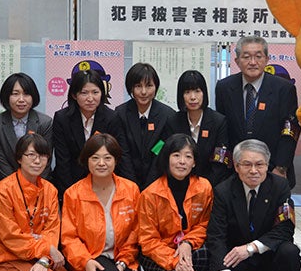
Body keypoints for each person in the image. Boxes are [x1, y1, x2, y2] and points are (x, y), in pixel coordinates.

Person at [214, 35, 300, 271]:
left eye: (258, 56)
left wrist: (281, 168)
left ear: (267, 59)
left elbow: (290, 129)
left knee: (271, 226)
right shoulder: (224, 86)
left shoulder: (283, 88)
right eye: (246, 56)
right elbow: (223, 129)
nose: (252, 61)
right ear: (236, 59)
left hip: (272, 171)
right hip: (238, 171)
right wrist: (225, 171)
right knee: (238, 225)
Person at [207, 139, 301, 271]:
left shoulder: (280, 186)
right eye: (247, 164)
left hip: (265, 252)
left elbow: (285, 228)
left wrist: (251, 248)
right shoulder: (223, 191)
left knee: (290, 252)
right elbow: (215, 236)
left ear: (267, 165)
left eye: (259, 164)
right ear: (236, 166)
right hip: (235, 257)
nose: (253, 170)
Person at [0, 133, 78, 271]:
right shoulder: (2, 191)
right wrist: (46, 250)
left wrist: (44, 260)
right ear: (19, 158)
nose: (38, 161)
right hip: (6, 260)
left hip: (39, 257)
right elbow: (10, 237)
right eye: (31, 155)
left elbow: (52, 229)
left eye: (43, 156)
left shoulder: (50, 190)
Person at [61, 134, 141, 271]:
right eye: (95, 158)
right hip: (92, 256)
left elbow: (136, 231)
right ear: (86, 161)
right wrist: (85, 261)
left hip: (123, 256)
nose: (101, 163)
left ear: (116, 160)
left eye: (107, 158)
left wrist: (123, 261)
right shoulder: (73, 193)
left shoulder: (131, 190)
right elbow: (68, 237)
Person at [137, 133, 213, 271]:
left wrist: (187, 243)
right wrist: (174, 261)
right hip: (156, 254)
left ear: (194, 162)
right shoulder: (150, 194)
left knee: (205, 254)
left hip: (187, 249)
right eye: (176, 155)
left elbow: (204, 225)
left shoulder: (204, 187)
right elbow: (147, 240)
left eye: (188, 156)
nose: (182, 161)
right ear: (167, 159)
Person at [52, 69, 131, 199]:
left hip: (103, 182)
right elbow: (63, 161)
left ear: (102, 94)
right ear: (74, 95)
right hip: (71, 182)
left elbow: (118, 155)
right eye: (84, 93)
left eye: (95, 92)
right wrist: (70, 194)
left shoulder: (112, 118)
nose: (90, 98)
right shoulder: (62, 118)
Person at [115, 62, 175, 190]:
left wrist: (150, 186)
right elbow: (123, 152)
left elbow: (160, 150)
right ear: (130, 88)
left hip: (158, 183)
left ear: (156, 87)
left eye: (149, 86)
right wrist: (132, 185)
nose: (143, 92)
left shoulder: (167, 115)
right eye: (138, 86)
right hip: (126, 183)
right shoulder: (121, 113)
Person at [0, 72, 53, 187]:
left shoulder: (45, 122)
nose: (21, 99)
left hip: (39, 183)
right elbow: (1, 161)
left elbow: (45, 160)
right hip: (6, 184)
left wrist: (32, 186)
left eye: (26, 94)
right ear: (7, 96)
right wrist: (18, 188)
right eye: (15, 94)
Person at [167, 69, 230, 187]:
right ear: (181, 96)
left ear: (204, 93)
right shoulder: (173, 121)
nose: (193, 97)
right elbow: (162, 151)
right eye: (187, 92)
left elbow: (221, 161)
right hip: (178, 183)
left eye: (197, 91)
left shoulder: (219, 121)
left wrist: (204, 187)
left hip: (211, 185)